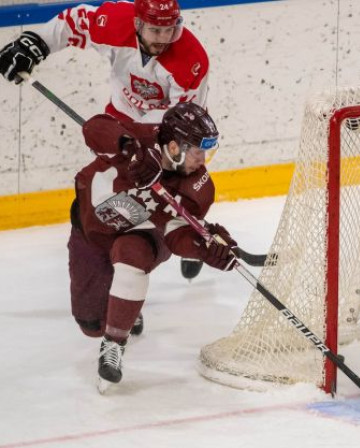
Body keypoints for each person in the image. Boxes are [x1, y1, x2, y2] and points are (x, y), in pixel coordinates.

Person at [0, 0, 210, 287]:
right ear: (137, 23)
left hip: (173, 132)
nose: (163, 40)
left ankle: (191, 233)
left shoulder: (191, 60)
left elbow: (179, 121)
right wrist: (36, 42)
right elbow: (73, 21)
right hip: (120, 119)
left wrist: (145, 147)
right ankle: (121, 279)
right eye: (155, 30)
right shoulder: (113, 21)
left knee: (180, 186)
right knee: (119, 195)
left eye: (169, 31)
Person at [70, 102, 236, 390]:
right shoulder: (140, 138)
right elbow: (94, 128)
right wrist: (126, 146)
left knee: (131, 257)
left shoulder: (198, 186)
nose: (203, 159)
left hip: (142, 236)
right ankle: (125, 308)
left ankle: (114, 345)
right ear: (174, 147)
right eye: (198, 151)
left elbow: (176, 236)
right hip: (90, 231)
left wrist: (202, 249)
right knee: (90, 324)